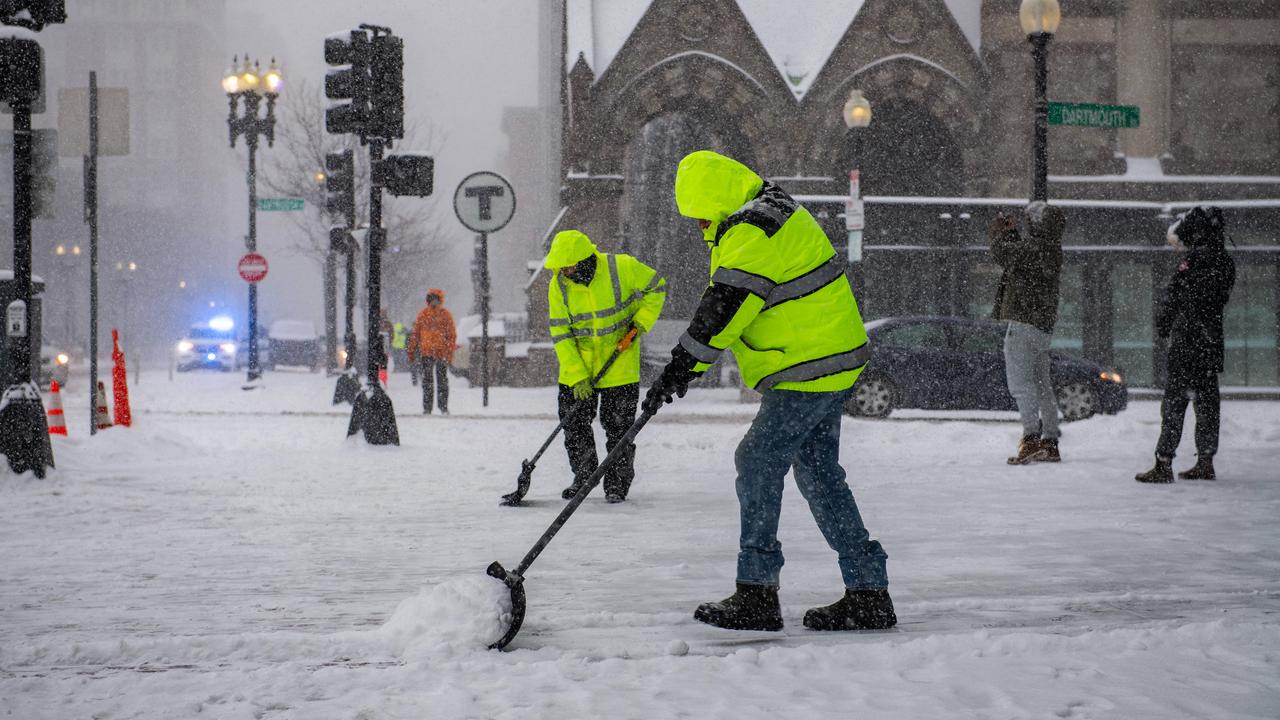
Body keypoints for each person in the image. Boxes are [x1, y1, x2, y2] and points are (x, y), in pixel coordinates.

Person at [644, 150, 894, 632]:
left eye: (697, 214)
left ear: (713, 200)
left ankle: (757, 591)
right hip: (826, 358)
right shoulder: (767, 211)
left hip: (808, 364)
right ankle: (868, 591)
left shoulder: (752, 229)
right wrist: (685, 365)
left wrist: (682, 364)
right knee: (819, 473)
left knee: (757, 459)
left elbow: (727, 302)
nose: (696, 225)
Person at [546, 229, 666, 504]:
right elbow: (562, 334)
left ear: (584, 259)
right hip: (578, 368)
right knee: (574, 425)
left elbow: (656, 287)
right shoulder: (559, 285)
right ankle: (585, 476)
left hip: (619, 363)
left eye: (568, 265)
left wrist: (639, 323)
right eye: (561, 266)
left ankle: (617, 485)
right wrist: (577, 377)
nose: (564, 271)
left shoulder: (621, 267)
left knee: (619, 428)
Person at [1136, 206, 1235, 483]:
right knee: (1207, 402)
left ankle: (1163, 462)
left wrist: (1164, 323)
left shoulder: (1193, 262)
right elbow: (1218, 298)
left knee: (1174, 402)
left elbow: (1174, 296)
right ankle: (1205, 461)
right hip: (1210, 340)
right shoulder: (1224, 261)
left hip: (1187, 340)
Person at [989, 201, 1065, 464]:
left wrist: (1000, 232)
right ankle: (1050, 441)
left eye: (1030, 220)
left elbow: (1002, 254)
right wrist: (1011, 235)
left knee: (1021, 385)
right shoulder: (1050, 248)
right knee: (1042, 384)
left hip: (1023, 324)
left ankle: (1031, 438)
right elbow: (1018, 254)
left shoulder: (1034, 248)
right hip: (1042, 327)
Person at [408, 289, 456, 415]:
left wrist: (449, 352)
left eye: (436, 299)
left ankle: (440, 407)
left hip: (438, 352)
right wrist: (412, 350)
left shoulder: (442, 315)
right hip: (428, 352)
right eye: (432, 299)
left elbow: (451, 335)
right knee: (431, 381)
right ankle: (431, 407)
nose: (434, 302)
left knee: (439, 381)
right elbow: (416, 334)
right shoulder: (425, 315)